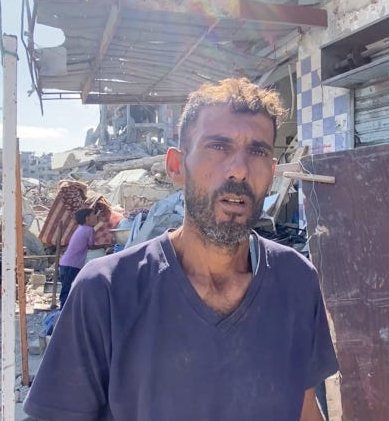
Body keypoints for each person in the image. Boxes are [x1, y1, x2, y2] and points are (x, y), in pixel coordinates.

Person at [24, 77, 339, 420]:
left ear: (272, 172)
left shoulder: (296, 281)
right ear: (176, 166)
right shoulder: (105, 292)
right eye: (218, 146)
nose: (240, 169)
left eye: (258, 151)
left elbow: (305, 408)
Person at [58, 207, 97, 307]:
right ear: (87, 218)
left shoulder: (81, 228)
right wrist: (105, 245)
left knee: (68, 288)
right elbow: (91, 246)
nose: (95, 217)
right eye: (93, 215)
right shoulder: (89, 230)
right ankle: (63, 310)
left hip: (66, 263)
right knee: (68, 289)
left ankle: (66, 309)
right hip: (72, 264)